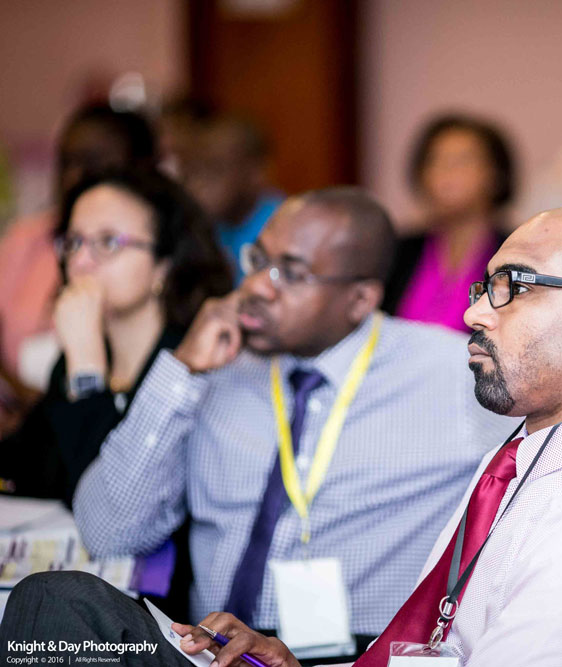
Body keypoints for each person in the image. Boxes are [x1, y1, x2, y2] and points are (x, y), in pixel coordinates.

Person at [0, 188, 517, 661]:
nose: (255, 288)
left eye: (290, 273)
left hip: (346, 658)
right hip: (205, 650)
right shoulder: (217, 366)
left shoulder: (451, 376)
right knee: (50, 603)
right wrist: (181, 370)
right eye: (258, 261)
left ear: (360, 299)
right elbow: (109, 531)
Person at [0, 169, 232, 506]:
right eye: (73, 242)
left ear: (164, 264)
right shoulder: (76, 355)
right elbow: (25, 468)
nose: (80, 262)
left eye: (108, 242)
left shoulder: (192, 363)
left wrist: (87, 371)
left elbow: (106, 506)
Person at [0, 105, 158, 396]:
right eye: (66, 162)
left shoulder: (149, 251)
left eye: (107, 242)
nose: (74, 177)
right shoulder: (24, 239)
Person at [383, 114, 515, 332]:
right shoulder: (397, 253)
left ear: (496, 174)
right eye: (435, 160)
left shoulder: (517, 255)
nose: (447, 172)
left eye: (463, 160)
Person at [182, 113, 283, 281]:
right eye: (194, 170)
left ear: (255, 173)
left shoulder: (279, 226)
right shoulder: (213, 224)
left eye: (215, 170)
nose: (199, 183)